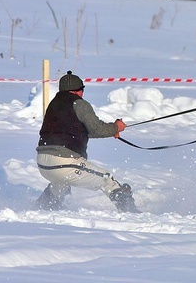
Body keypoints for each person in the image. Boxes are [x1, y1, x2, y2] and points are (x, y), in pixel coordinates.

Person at [35, 71, 140, 213]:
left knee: (60, 185)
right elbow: (96, 129)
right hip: (64, 162)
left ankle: (39, 209)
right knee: (107, 180)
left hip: (43, 164)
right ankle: (131, 213)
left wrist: (111, 131)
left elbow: (78, 131)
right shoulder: (79, 103)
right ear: (78, 91)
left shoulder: (54, 104)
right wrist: (116, 127)